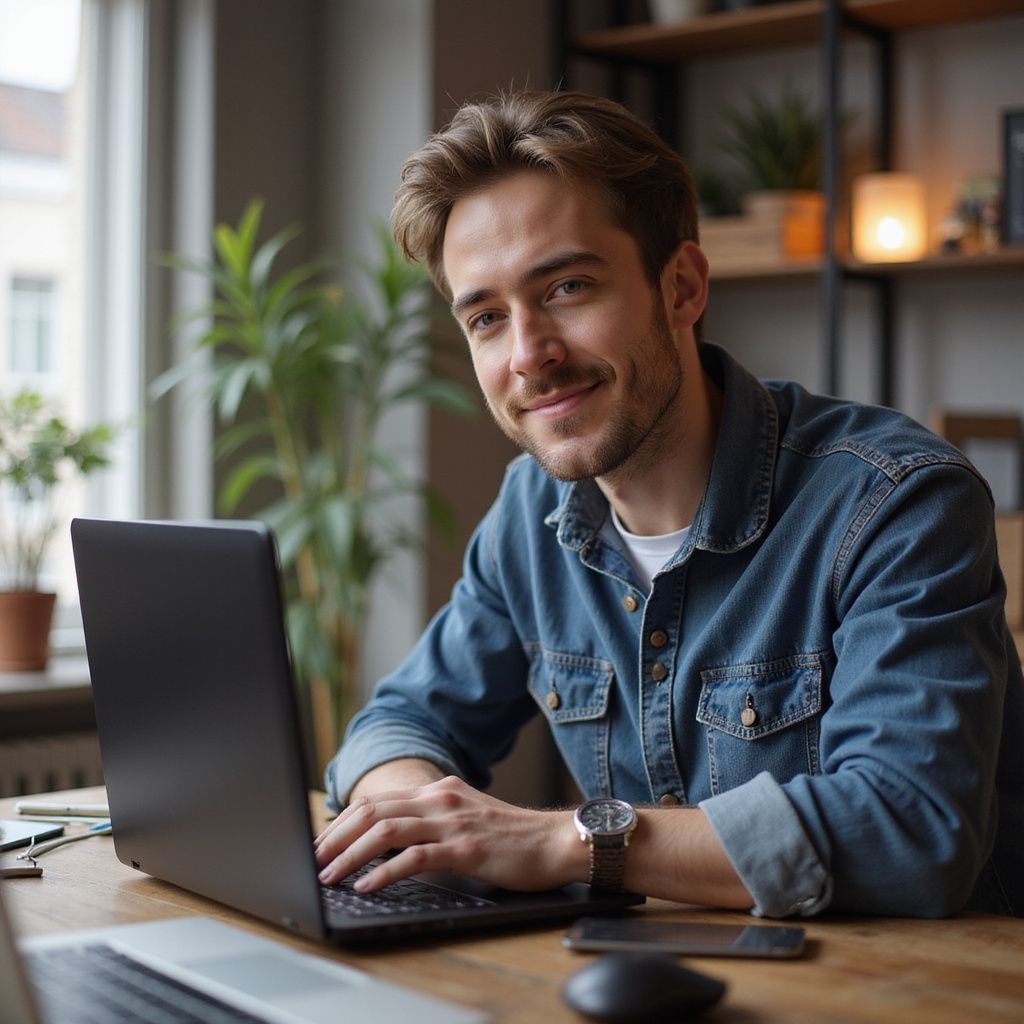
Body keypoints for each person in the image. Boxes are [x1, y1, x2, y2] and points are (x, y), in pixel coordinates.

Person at [314, 89, 1023, 919]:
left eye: (568, 287)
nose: (529, 355)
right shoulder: (529, 514)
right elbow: (400, 719)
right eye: (486, 318)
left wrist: (556, 842)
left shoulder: (897, 503)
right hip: (674, 976)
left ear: (682, 287)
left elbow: (909, 834)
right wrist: (410, 814)